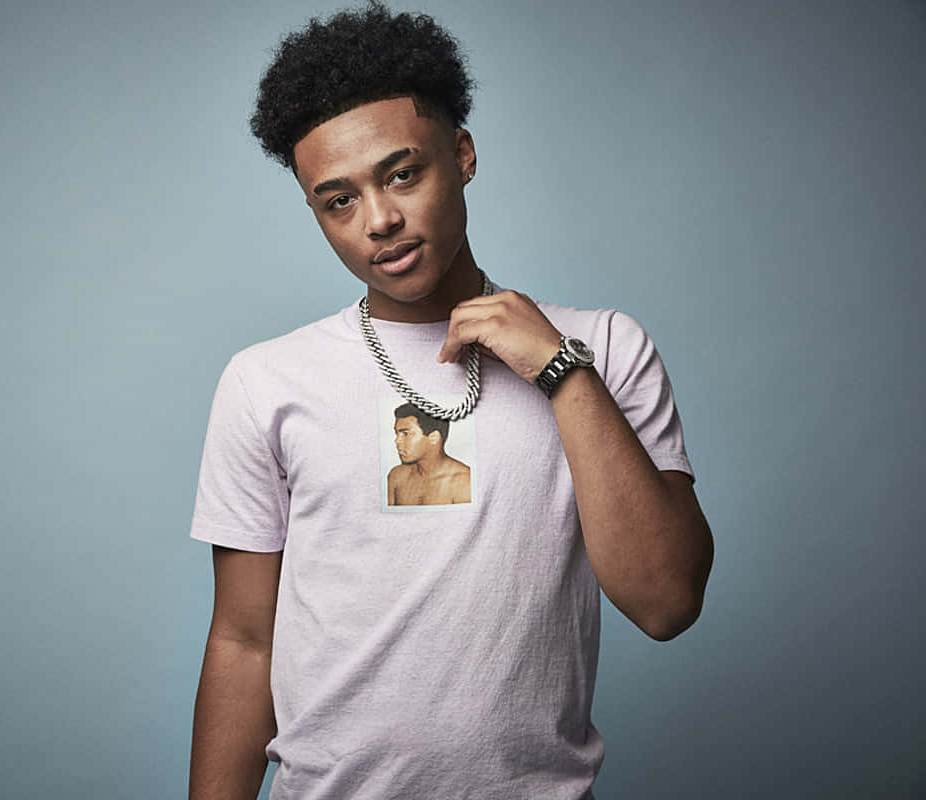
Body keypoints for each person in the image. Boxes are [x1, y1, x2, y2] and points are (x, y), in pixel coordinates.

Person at [188, 4, 714, 798]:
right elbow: (244, 640)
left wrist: (561, 371)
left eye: (402, 174)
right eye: (338, 200)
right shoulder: (266, 382)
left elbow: (666, 601)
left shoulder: (603, 346)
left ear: (462, 155)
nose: (380, 220)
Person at [388, 402, 471, 506]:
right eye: (397, 433)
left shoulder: (464, 482)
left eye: (406, 434)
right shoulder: (397, 476)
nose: (397, 441)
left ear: (433, 438)